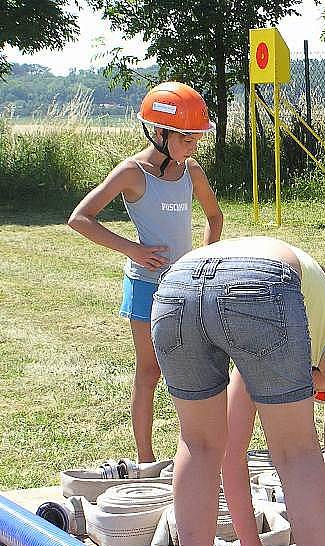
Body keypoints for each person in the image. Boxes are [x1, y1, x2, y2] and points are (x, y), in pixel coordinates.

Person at [150, 236, 325, 546]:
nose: (317, 396)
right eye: (320, 393)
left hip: (176, 285)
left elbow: (231, 452)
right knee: (298, 455)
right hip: (256, 283)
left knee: (198, 444)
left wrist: (250, 544)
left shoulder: (300, 313)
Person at [68, 82, 223, 462]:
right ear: (160, 133)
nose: (194, 147)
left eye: (197, 139)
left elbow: (214, 217)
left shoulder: (193, 171)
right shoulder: (131, 173)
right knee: (150, 371)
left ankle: (201, 454)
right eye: (187, 139)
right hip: (145, 287)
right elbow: (80, 219)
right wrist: (131, 249)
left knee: (193, 370)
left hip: (184, 286)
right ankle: (145, 460)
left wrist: (201, 257)